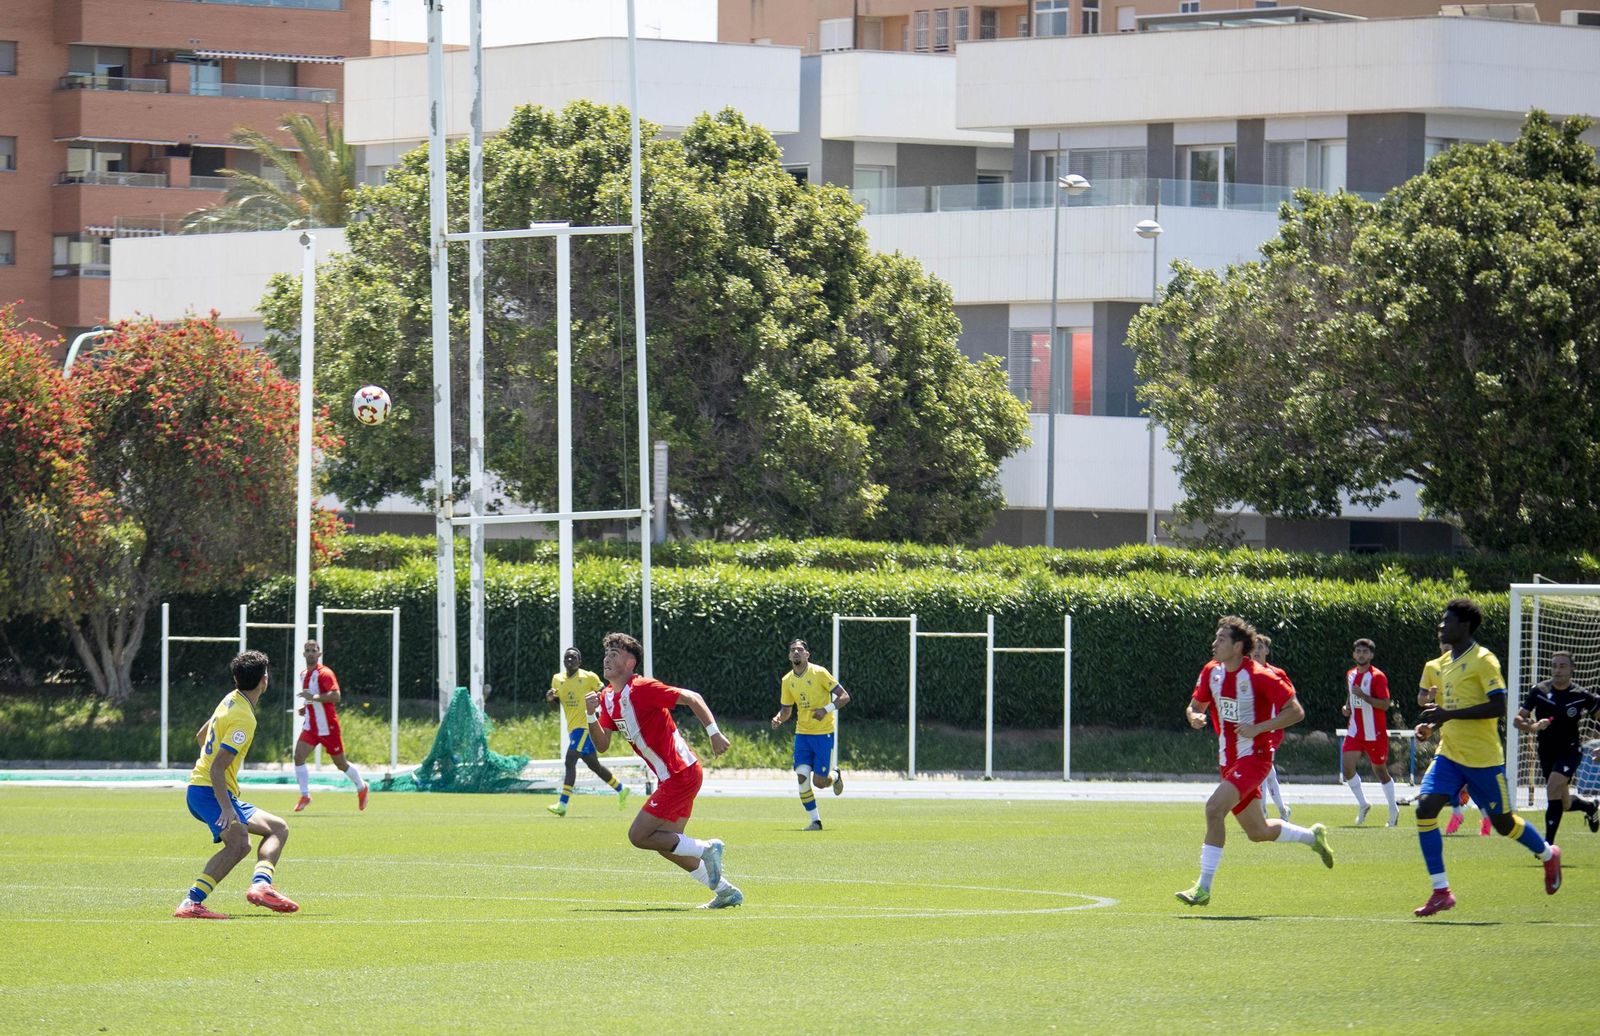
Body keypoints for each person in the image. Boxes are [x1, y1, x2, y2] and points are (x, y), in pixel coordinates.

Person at [1411, 598, 1561, 917]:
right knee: (1425, 808)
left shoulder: (1484, 660)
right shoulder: (1446, 663)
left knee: (1504, 824)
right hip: (1449, 756)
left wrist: (1447, 713)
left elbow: (1497, 707)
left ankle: (1548, 855)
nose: (1441, 626)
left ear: (1463, 626)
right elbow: (1452, 711)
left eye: (1446, 621)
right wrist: (1433, 725)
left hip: (1483, 760)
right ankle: (1441, 891)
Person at [1176, 616, 1334, 907]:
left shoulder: (1260, 676)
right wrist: (1194, 717)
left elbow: (1296, 711)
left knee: (1213, 809)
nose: (1214, 644)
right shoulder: (1212, 672)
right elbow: (1195, 705)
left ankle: (1203, 888)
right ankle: (1313, 837)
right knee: (1258, 832)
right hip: (1228, 761)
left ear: (1238, 646)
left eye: (1221, 639)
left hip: (1256, 758)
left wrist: (1260, 728)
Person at [583, 632, 743, 909]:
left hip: (681, 772)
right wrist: (590, 715)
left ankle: (708, 848)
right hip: (674, 776)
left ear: (631, 663)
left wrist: (714, 733)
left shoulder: (642, 687)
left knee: (638, 836)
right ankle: (725, 891)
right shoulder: (608, 697)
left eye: (615, 654)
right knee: (664, 843)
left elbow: (692, 697)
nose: (607, 658)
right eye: (606, 654)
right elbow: (602, 744)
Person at [175, 650, 300, 919]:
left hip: (210, 788)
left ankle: (261, 886)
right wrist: (226, 807)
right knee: (239, 844)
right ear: (264, 680)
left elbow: (201, 736)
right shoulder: (244, 716)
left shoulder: (230, 700)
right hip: (209, 791)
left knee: (277, 828)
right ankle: (190, 903)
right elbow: (218, 767)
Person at [1514, 649, 1600, 844]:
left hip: (1570, 751)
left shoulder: (1581, 695)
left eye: (1562, 666)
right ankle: (1589, 807)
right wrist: (1534, 726)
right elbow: (1518, 720)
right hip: (1546, 751)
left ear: (1572, 669)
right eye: (1554, 666)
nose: (1557, 670)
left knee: (1552, 786)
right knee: (1564, 803)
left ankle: (1547, 846)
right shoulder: (1539, 691)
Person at [770, 638, 851, 830]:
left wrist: (826, 709)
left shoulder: (819, 673)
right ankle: (815, 821)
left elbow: (844, 696)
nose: (796, 652)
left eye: (800, 649)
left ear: (807, 654)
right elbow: (787, 710)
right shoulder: (787, 680)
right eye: (792, 650)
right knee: (802, 777)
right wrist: (778, 718)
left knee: (820, 783)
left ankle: (835, 776)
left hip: (823, 734)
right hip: (802, 734)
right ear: (789, 656)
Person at [546, 646, 631, 816]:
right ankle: (621, 789)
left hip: (585, 726)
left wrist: (600, 711)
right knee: (594, 765)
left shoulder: (588, 677)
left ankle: (562, 804)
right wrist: (550, 700)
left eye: (573, 658)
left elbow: (605, 693)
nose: (570, 660)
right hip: (573, 728)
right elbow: (555, 707)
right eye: (567, 658)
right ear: (563, 661)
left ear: (580, 661)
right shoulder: (557, 679)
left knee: (570, 761)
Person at [292, 640, 369, 813]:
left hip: (328, 727)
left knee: (340, 763)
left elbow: (335, 696)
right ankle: (305, 795)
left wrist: (313, 697)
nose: (310, 653)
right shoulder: (303, 674)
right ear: (303, 654)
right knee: (298, 756)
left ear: (319, 654)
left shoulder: (325, 673)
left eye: (314, 650)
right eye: (307, 650)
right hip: (311, 726)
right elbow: (312, 697)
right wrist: (307, 706)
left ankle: (361, 787)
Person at [1419, 649, 1480, 836]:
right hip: (1447, 737)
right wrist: (1429, 698)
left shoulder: (1475, 663)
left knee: (1476, 786)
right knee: (1430, 796)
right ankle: (1456, 812)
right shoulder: (1432, 667)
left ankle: (1485, 817)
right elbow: (1421, 701)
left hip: (1473, 738)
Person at [1341, 638, 1398, 827]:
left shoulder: (1378, 677)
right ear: (1353, 654)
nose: (1361, 655)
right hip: (1355, 730)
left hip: (1375, 732)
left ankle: (1393, 809)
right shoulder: (1350, 674)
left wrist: (1364, 696)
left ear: (1371, 655)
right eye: (1358, 651)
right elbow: (1350, 696)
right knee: (1347, 767)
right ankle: (1364, 804)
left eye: (1365, 652)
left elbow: (1384, 704)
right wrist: (1346, 707)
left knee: (1380, 771)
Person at [1248, 635, 1292, 821]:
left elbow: (1290, 700)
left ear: (1267, 650)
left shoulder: (1276, 673)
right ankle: (1283, 809)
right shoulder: (1243, 673)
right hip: (1250, 729)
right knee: (1267, 770)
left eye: (1261, 647)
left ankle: (1263, 812)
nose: (1256, 651)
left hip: (1271, 730)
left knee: (1262, 770)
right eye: (1253, 647)